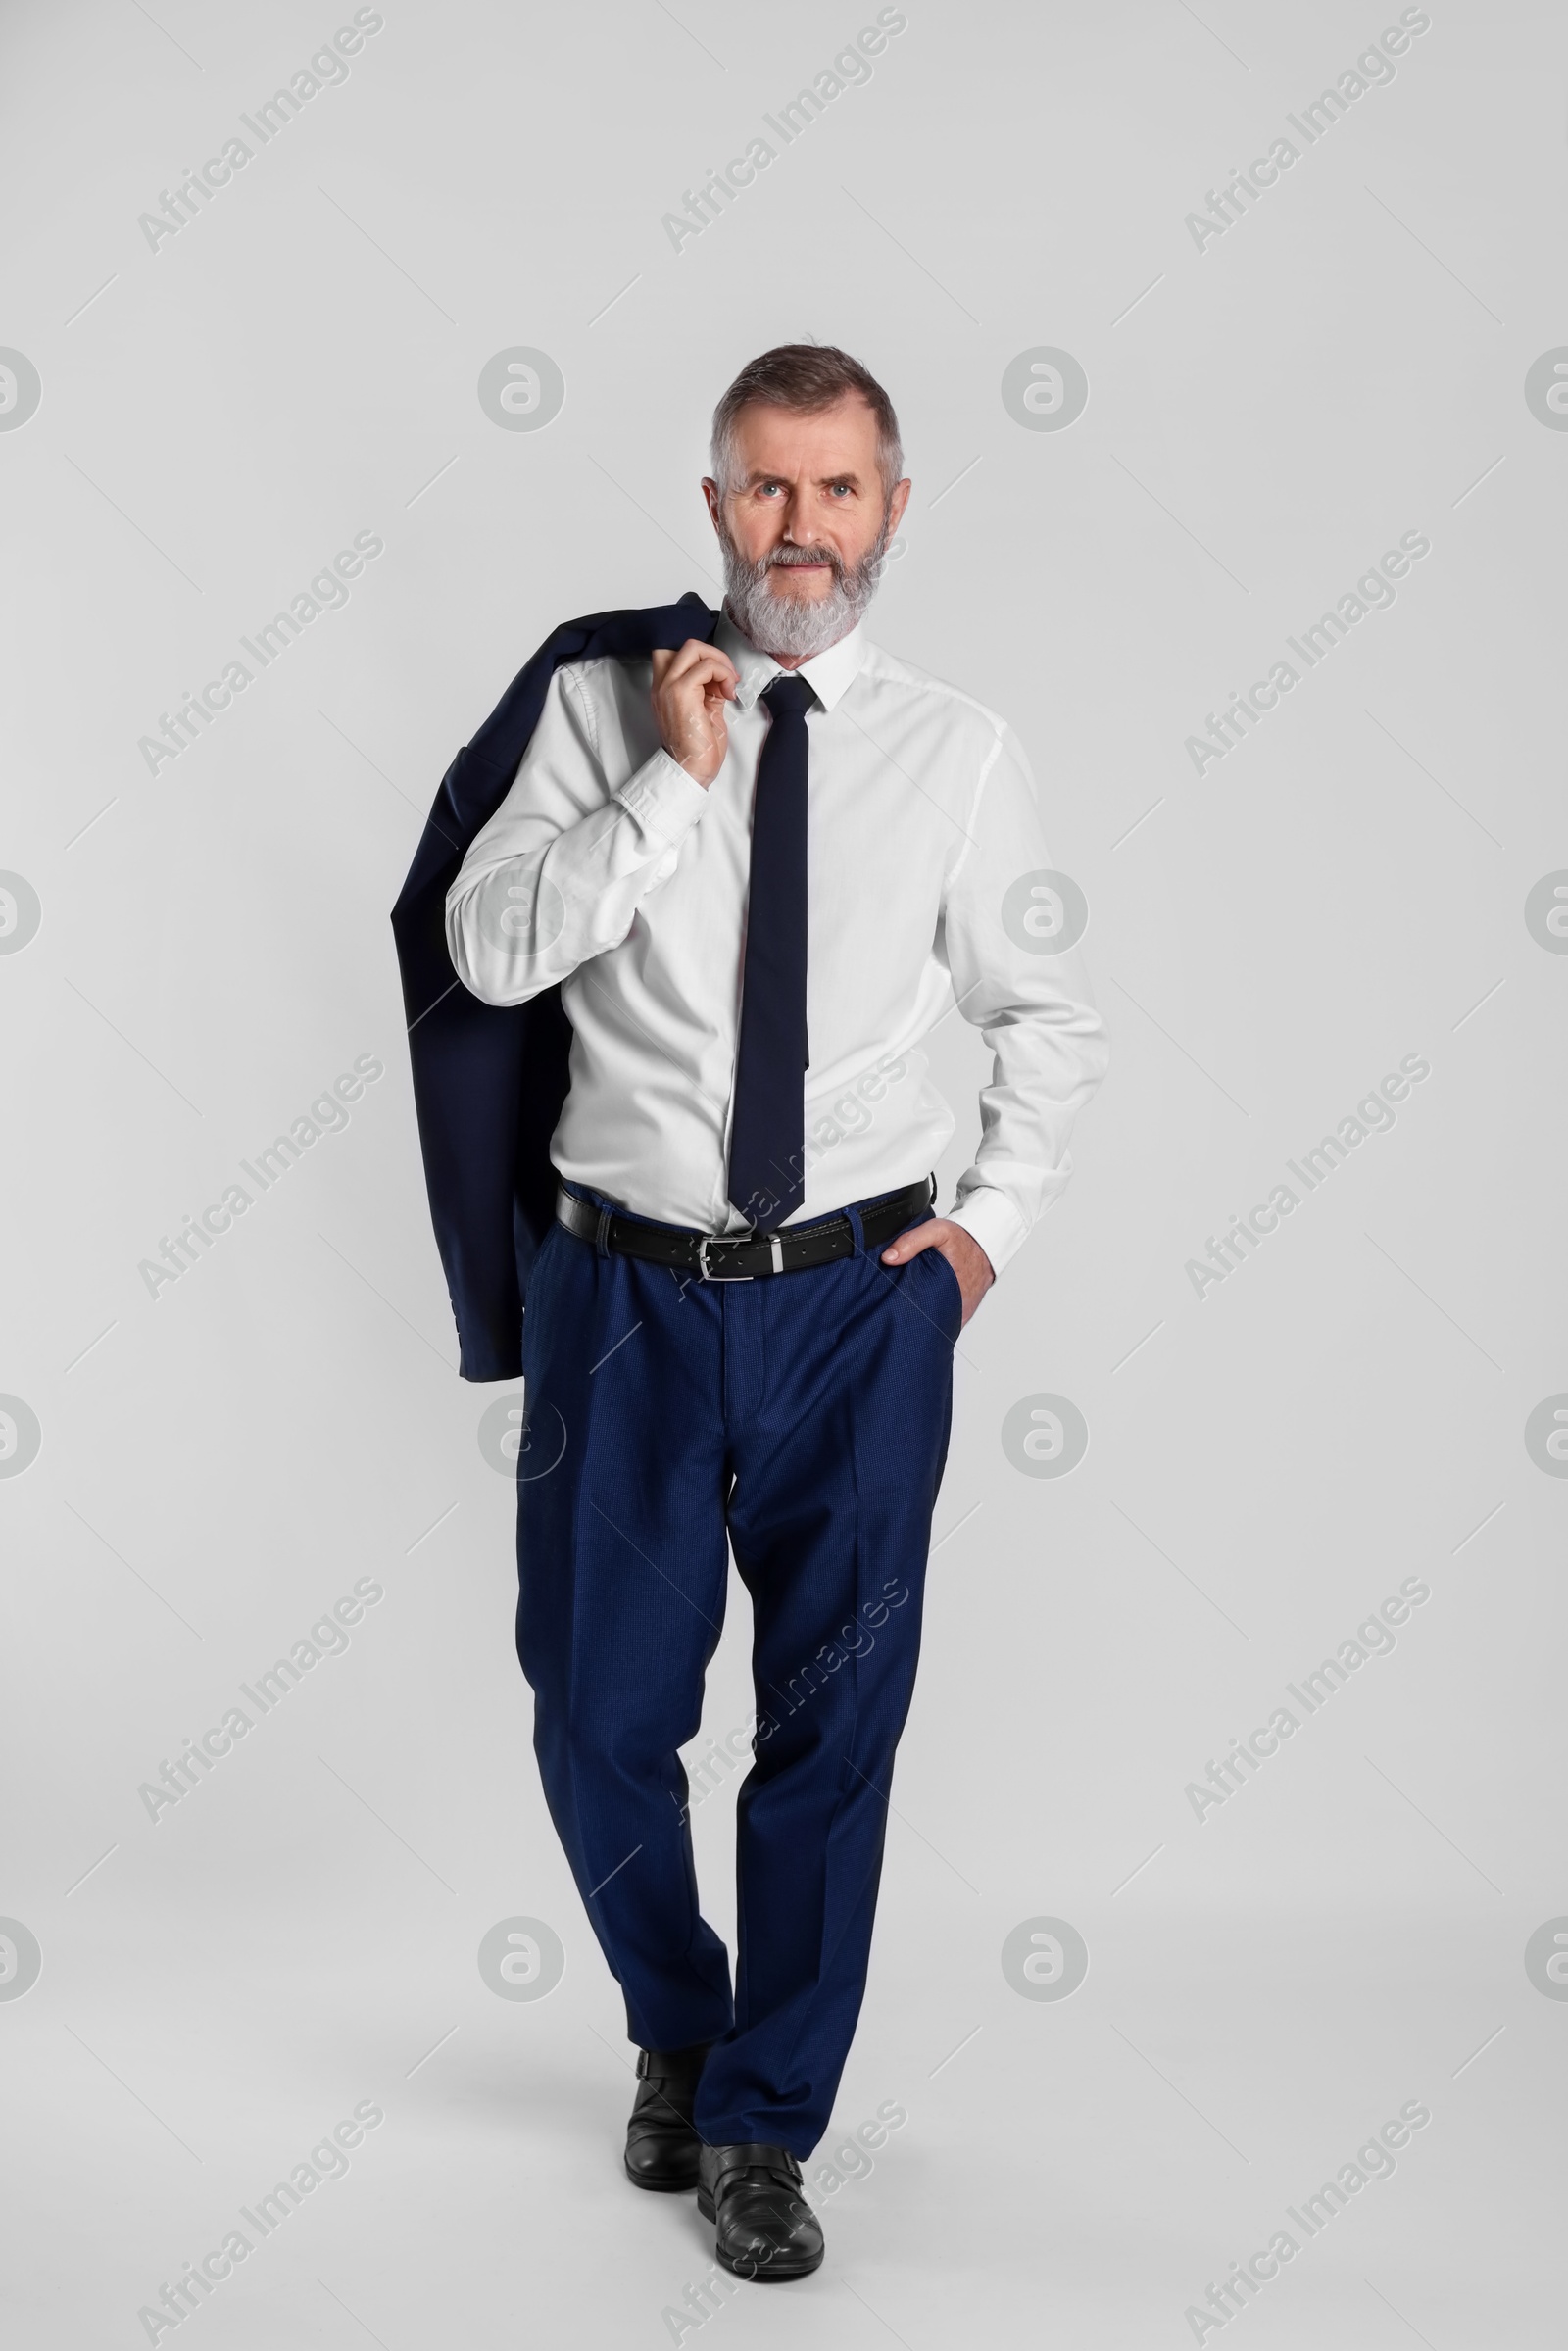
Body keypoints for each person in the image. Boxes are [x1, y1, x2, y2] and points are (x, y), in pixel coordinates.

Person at [444, 344, 1108, 2280]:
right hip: (624, 1300)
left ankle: (761, 2118)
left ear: (889, 506)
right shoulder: (595, 710)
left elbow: (1044, 1017)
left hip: (853, 1309)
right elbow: (486, 951)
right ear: (711, 500)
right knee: (596, 1713)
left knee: (831, 1732)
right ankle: (677, 2017)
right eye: (759, 486)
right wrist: (673, 782)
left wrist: (978, 1240)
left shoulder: (958, 752)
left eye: (832, 489)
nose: (793, 528)